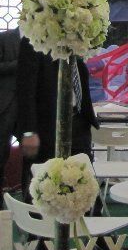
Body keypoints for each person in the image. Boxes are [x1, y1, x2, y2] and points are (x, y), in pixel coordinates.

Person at [16, 35, 98, 196]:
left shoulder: (76, 38)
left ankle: (84, 210)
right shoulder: (35, 40)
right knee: (44, 188)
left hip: (79, 122)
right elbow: (25, 91)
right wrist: (28, 131)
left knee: (82, 185)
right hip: (46, 129)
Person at [0, 27, 20, 189]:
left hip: (32, 108)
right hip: (5, 106)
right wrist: (19, 64)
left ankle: (29, 196)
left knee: (34, 154)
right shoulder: (4, 38)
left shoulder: (44, 42)